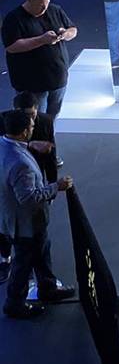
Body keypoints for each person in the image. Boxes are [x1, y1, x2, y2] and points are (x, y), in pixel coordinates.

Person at [0, 109, 74, 319]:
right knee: (24, 262)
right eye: (32, 127)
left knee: (41, 251)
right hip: (26, 222)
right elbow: (29, 197)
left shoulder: (4, 144)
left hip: (13, 218)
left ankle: (47, 287)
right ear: (24, 132)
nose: (34, 129)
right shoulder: (21, 164)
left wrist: (30, 145)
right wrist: (56, 186)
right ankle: (14, 302)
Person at [2, 0, 76, 119]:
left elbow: (73, 29)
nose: (44, 8)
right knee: (32, 119)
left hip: (58, 77)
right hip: (32, 83)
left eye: (47, 4)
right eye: (40, 5)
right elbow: (12, 46)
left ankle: (47, 137)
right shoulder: (13, 19)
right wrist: (42, 40)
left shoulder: (54, 10)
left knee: (53, 115)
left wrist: (65, 34)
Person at [11, 92, 58, 182]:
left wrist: (53, 182)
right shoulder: (3, 122)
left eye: (32, 114)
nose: (30, 120)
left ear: (37, 108)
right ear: (15, 110)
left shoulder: (46, 121)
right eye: (25, 115)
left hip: (36, 168)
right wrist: (30, 145)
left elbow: (50, 155)